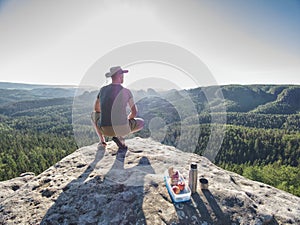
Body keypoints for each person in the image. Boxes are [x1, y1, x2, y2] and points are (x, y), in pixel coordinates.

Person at [91, 66, 144, 149]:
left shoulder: (102, 90)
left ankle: (102, 140)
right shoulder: (126, 91)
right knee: (141, 122)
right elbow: (134, 112)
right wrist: (126, 119)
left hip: (105, 130)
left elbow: (96, 109)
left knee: (93, 115)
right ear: (120, 76)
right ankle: (120, 136)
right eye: (123, 75)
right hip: (123, 128)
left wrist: (106, 115)